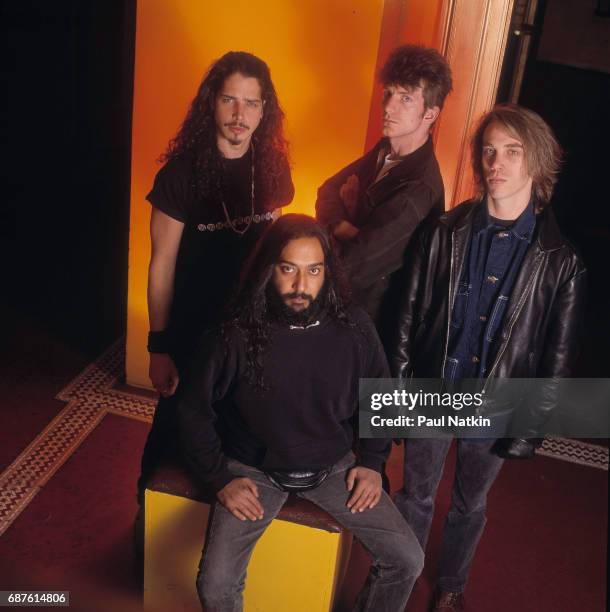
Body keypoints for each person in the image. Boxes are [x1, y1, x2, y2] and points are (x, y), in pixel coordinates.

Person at [389, 104, 586, 611]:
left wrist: (527, 429)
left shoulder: (561, 262)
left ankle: (450, 587)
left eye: (512, 152)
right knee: (415, 494)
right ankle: (401, 578)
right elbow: (406, 317)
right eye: (490, 151)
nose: (496, 162)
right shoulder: (442, 232)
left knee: (469, 504)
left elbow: (555, 361)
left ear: (537, 164)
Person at [179, 214, 423, 611]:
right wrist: (219, 476)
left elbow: (379, 396)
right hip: (254, 470)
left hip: (332, 466)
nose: (300, 285)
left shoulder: (354, 328)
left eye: (314, 271)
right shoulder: (235, 333)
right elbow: (192, 410)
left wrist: (374, 462)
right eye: (288, 268)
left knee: (407, 560)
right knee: (216, 586)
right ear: (269, 269)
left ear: (327, 272)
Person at [138, 51, 294, 501]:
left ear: (265, 110)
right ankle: (144, 521)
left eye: (251, 103)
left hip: (251, 333)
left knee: (237, 438)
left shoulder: (272, 169)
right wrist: (159, 347)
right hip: (193, 334)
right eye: (229, 100)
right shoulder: (179, 177)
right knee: (171, 435)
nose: (239, 115)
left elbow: (273, 254)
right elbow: (161, 265)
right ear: (211, 103)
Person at [315, 44, 452, 342]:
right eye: (389, 93)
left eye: (405, 98)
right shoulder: (385, 151)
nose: (389, 106)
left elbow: (352, 268)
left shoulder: (419, 189)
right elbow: (325, 191)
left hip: (367, 333)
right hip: (340, 318)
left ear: (430, 113)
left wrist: (348, 217)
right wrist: (343, 225)